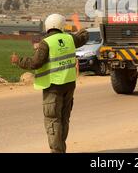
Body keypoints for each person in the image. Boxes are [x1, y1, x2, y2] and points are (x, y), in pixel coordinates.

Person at [11, 13, 88, 153]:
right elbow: (84, 36)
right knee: (64, 119)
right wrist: (78, 23)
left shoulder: (46, 43)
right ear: (61, 26)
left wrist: (18, 61)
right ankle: (61, 148)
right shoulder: (70, 39)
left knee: (53, 120)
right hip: (69, 85)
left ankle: (57, 151)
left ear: (48, 26)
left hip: (52, 86)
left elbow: (35, 63)